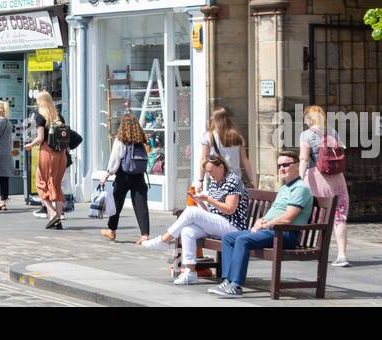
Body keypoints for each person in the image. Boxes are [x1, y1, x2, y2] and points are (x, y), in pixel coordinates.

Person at [210, 148, 314, 299]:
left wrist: (266, 224)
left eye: (286, 165)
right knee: (229, 238)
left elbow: (287, 218)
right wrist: (260, 221)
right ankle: (227, 281)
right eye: (279, 166)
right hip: (272, 230)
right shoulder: (285, 188)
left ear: (297, 165)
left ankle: (236, 285)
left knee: (242, 240)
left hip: (285, 234)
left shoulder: (300, 189)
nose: (282, 169)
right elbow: (275, 212)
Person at [144, 155, 251, 285]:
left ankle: (163, 240)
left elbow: (229, 209)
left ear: (221, 167)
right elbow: (210, 212)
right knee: (187, 230)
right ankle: (190, 272)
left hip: (233, 227)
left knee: (191, 211)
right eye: (207, 171)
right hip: (218, 224)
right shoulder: (214, 181)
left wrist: (208, 199)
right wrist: (200, 202)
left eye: (211, 171)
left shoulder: (233, 180)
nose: (209, 174)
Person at [299, 104, 351, 267]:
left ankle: (304, 248)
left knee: (308, 213)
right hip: (337, 179)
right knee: (339, 216)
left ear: (308, 118)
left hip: (316, 178)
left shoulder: (306, 135)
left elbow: (304, 159)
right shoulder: (333, 132)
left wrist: (300, 179)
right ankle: (342, 255)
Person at [99, 113, 150, 243]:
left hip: (124, 174)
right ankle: (144, 234)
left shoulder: (121, 139)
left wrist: (107, 173)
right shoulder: (140, 140)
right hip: (139, 174)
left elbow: (115, 158)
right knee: (141, 204)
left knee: (117, 202)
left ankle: (111, 230)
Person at [32, 91, 69, 230]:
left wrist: (30, 145)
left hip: (47, 153)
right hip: (61, 154)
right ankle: (58, 219)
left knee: (41, 184)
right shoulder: (59, 117)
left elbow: (40, 138)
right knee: (56, 184)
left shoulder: (40, 117)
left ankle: (52, 213)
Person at [199, 106, 254, 191]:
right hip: (235, 179)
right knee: (234, 203)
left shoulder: (208, 136)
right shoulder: (237, 137)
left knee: (217, 203)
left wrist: (201, 180)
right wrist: (252, 180)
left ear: (214, 119)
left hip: (216, 179)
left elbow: (203, 159)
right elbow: (244, 160)